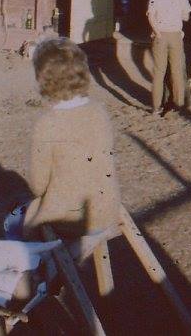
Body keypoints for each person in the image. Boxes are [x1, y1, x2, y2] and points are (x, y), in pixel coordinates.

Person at [20, 38, 121, 241]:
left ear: (43, 79)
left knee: (18, 221)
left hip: (71, 217)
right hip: (107, 208)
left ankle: (41, 269)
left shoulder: (47, 124)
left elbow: (38, 185)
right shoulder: (98, 111)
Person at [147, 0, 191, 115]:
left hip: (160, 36)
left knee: (159, 72)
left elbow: (151, 17)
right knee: (177, 71)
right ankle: (178, 104)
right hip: (175, 35)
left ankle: (155, 107)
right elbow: (186, 17)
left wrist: (156, 31)